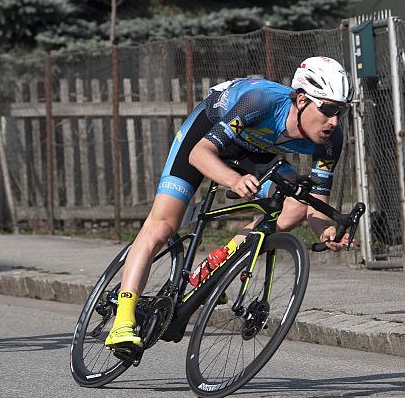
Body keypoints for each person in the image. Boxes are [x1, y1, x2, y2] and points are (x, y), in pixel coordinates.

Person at [104, 56, 353, 349]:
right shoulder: (261, 101)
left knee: (297, 201)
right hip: (206, 136)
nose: (334, 121)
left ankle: (220, 259)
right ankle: (122, 320)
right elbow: (199, 154)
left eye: (341, 111)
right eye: (327, 109)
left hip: (255, 151)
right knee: (162, 226)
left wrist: (325, 231)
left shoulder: (331, 139)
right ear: (301, 100)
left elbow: (316, 204)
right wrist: (233, 180)